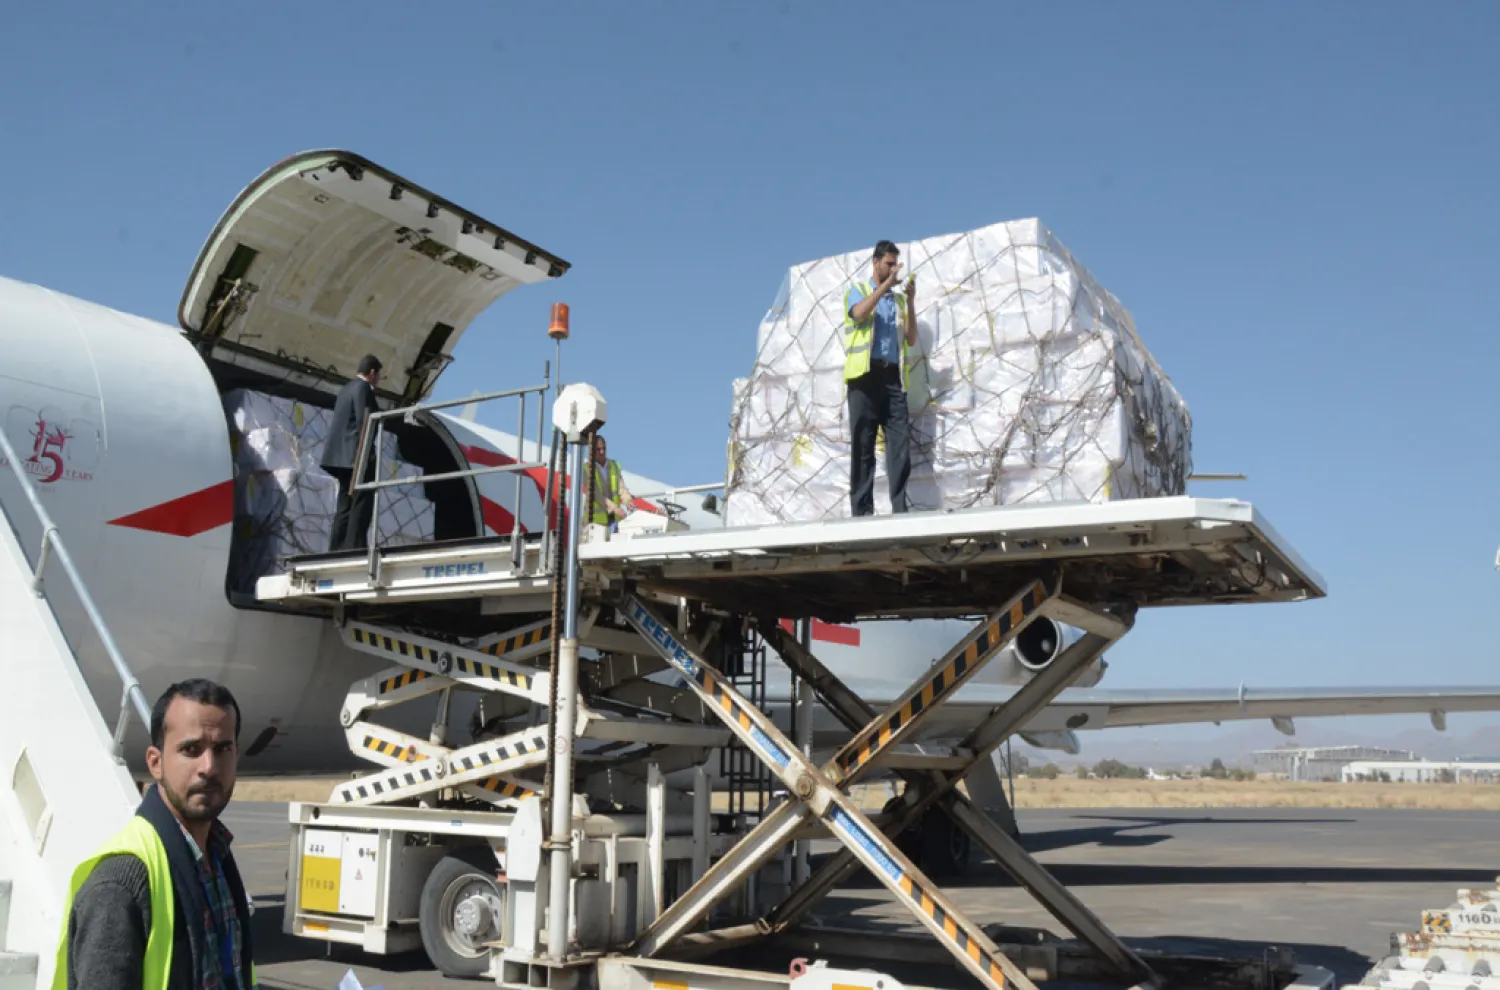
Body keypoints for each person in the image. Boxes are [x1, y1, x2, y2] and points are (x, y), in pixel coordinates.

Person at [52, 679, 257, 990]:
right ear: (156, 763)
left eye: (222, 748)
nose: (209, 766)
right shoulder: (121, 882)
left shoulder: (216, 856)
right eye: (191, 749)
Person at [843, 239, 917, 517]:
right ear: (875, 262)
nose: (893, 269)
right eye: (889, 264)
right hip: (863, 376)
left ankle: (900, 508)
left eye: (895, 264)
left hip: (891, 378)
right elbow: (859, 314)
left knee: (900, 444)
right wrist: (885, 286)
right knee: (863, 445)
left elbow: (910, 338)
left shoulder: (897, 300)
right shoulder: (858, 291)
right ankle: (862, 512)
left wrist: (909, 299)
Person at [322, 354, 382, 551]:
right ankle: (354, 546)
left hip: (339, 456)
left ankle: (337, 546)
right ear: (372, 373)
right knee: (361, 501)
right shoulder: (363, 388)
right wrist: (368, 450)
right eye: (378, 375)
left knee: (344, 504)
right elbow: (364, 420)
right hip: (356, 455)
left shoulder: (346, 388)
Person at [589, 434, 633, 529]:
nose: (602, 451)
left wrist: (627, 500)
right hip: (596, 523)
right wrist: (615, 509)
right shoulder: (588, 468)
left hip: (613, 521)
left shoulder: (614, 465)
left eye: (603, 448)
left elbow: (621, 487)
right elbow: (597, 495)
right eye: (598, 449)